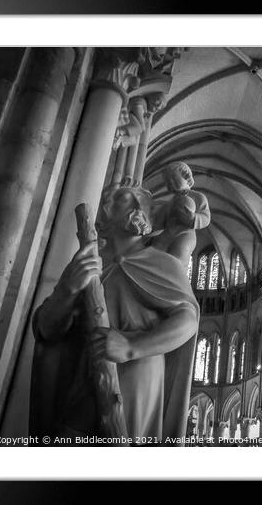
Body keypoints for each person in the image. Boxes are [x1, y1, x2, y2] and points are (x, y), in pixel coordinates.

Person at [29, 164, 210, 443]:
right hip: (82, 377)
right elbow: (47, 330)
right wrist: (67, 290)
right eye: (123, 198)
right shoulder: (90, 263)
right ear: (106, 214)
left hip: (135, 377)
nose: (138, 204)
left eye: (136, 200)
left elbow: (187, 320)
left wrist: (130, 346)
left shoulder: (160, 263)